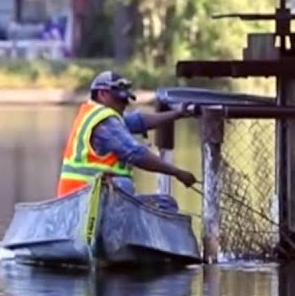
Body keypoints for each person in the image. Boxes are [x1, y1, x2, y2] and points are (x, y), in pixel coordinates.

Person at [56, 71, 199, 213]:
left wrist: (178, 113)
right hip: (87, 206)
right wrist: (178, 172)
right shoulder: (105, 121)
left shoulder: (96, 114)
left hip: (81, 202)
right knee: (165, 205)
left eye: (126, 99)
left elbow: (139, 121)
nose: (124, 104)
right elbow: (136, 154)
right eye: (120, 99)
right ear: (102, 94)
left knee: (156, 201)